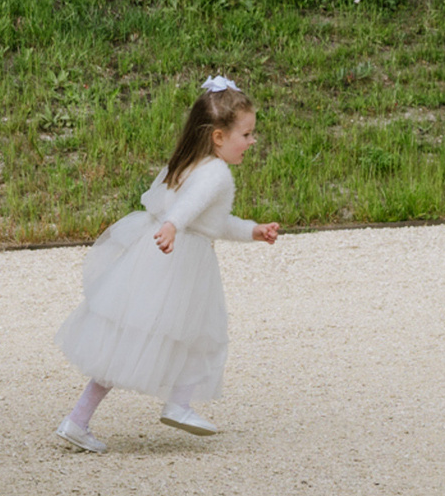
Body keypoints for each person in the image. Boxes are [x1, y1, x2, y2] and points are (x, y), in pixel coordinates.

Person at [54, 75, 280, 450]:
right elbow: (189, 210)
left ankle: (78, 420)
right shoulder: (217, 173)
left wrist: (252, 231)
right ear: (219, 136)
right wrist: (175, 225)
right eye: (247, 134)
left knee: (131, 338)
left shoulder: (191, 163)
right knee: (201, 332)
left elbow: (213, 222)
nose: (252, 141)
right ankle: (177, 404)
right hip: (181, 258)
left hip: (161, 252)